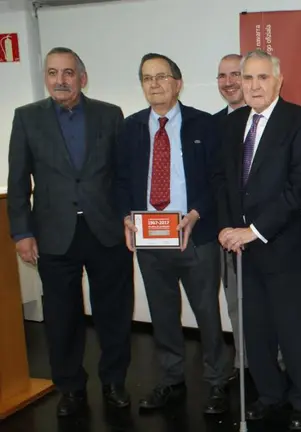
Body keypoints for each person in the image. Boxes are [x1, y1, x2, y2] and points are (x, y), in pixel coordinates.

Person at [7, 46, 134, 417]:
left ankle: (114, 383)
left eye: (67, 73)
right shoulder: (27, 118)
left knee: (113, 312)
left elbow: (122, 174)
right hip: (53, 233)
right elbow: (18, 181)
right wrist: (22, 232)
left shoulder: (110, 115)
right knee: (62, 318)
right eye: (52, 73)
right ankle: (71, 388)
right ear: (46, 77)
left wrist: (128, 216)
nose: (59, 80)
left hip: (105, 230)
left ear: (82, 76)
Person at [115, 53, 231, 414]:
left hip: (194, 236)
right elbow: (119, 180)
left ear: (177, 83)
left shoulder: (204, 125)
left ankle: (216, 382)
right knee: (162, 314)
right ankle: (170, 379)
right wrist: (125, 217)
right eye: (147, 78)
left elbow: (218, 180)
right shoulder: (130, 127)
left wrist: (197, 214)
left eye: (162, 77)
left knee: (207, 313)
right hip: (150, 239)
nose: (154, 84)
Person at [215, 49, 301, 430]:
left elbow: (300, 188)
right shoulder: (230, 126)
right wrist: (227, 228)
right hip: (241, 249)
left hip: (284, 247)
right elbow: (224, 183)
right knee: (254, 329)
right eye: (247, 78)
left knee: (291, 329)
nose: (254, 85)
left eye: (262, 78)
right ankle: (270, 394)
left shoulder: (300, 121)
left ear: (278, 81)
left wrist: (255, 230)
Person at [213, 52, 248, 382]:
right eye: (222, 76)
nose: (229, 82)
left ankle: (275, 362)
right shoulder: (213, 125)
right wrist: (224, 228)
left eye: (236, 74)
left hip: (263, 234)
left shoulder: (271, 120)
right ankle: (243, 364)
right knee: (235, 303)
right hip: (226, 233)